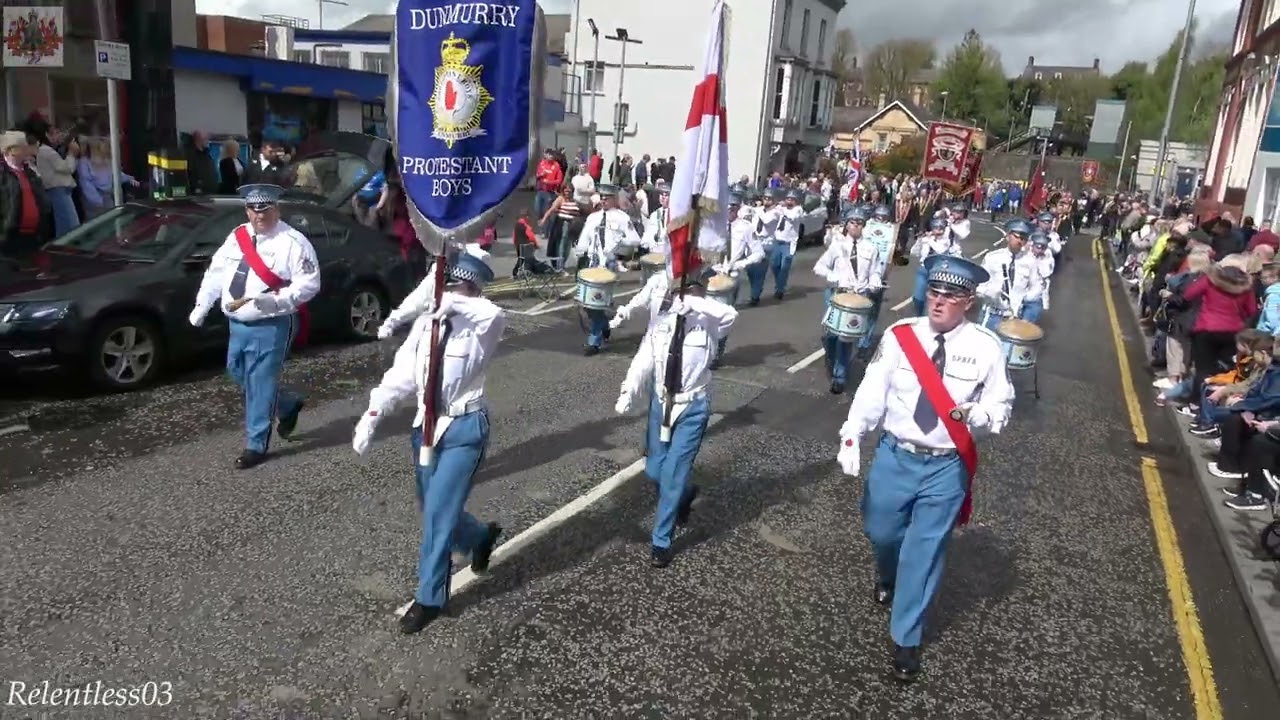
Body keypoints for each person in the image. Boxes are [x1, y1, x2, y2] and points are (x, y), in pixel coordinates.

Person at [837, 253, 1014, 682]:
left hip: (944, 466)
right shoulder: (901, 336)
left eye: (950, 296)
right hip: (896, 456)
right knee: (881, 531)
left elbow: (1002, 403)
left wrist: (983, 418)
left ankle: (907, 638)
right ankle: (887, 572)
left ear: (968, 301)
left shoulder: (986, 347)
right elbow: (871, 390)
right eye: (934, 292)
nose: (937, 302)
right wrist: (852, 433)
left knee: (925, 552)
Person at [352, 245, 506, 634]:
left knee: (437, 514)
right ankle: (479, 536)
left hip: (463, 430)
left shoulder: (482, 324)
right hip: (425, 429)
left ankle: (430, 598)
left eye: (460, 287)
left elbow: (493, 313)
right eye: (447, 284)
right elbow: (403, 374)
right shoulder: (426, 324)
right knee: (432, 506)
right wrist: (373, 413)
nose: (451, 292)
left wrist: (454, 305)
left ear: (475, 289)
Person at [188, 184, 320, 469]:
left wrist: (276, 302)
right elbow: (216, 273)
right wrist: (202, 305)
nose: (259, 215)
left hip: (270, 324)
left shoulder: (293, 242)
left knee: (259, 383)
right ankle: (286, 404)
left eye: (266, 209)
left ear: (277, 208)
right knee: (238, 374)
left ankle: (255, 444)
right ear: (247, 210)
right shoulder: (237, 236)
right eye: (253, 210)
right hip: (237, 323)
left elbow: (309, 284)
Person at [614, 263, 737, 567]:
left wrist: (693, 303)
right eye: (683, 291)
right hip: (661, 403)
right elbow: (644, 358)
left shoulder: (709, 321)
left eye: (695, 291)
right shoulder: (662, 322)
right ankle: (684, 496)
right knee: (654, 471)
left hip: (691, 407)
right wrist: (628, 390)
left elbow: (730, 315)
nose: (684, 296)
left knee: (671, 474)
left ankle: (661, 540)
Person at [815, 206, 881, 394]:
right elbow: (819, 267)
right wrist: (836, 278)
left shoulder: (871, 248)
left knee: (846, 337)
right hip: (836, 294)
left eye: (859, 223)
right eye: (852, 222)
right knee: (831, 336)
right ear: (846, 224)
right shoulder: (837, 246)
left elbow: (876, 271)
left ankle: (840, 376)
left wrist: (874, 282)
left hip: (857, 296)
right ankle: (831, 357)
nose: (856, 226)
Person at [576, 184, 639, 355]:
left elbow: (635, 240)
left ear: (614, 199)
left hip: (608, 265)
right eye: (601, 197)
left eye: (607, 198)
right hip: (593, 263)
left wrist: (618, 248)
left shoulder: (622, 218)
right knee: (588, 305)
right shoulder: (593, 218)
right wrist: (579, 251)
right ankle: (604, 325)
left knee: (596, 303)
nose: (603, 200)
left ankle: (593, 342)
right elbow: (584, 239)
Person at [710, 192, 765, 365]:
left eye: (732, 207)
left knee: (722, 318)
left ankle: (717, 353)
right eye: (726, 206)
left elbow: (759, 253)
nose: (729, 210)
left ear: (738, 208)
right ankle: (705, 349)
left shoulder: (746, 227)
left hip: (730, 278)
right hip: (711, 274)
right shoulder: (713, 225)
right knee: (704, 316)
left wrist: (739, 264)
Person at [0, 130, 50, 265]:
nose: (27, 150)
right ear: (11, 150)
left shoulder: (29, 171)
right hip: (10, 235)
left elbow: (40, 199)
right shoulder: (3, 174)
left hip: (33, 234)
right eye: (23, 147)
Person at [977, 219, 1032, 330]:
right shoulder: (992, 258)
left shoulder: (1030, 262)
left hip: (1015, 318)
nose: (1020, 241)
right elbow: (979, 288)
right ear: (1008, 236)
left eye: (1023, 238)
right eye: (1017, 236)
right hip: (992, 314)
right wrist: (989, 293)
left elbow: (1034, 292)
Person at [909, 216, 961, 316]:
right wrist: (919, 241)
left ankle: (929, 318)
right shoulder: (927, 239)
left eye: (940, 228)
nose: (937, 230)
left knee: (934, 298)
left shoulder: (946, 241)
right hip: (924, 269)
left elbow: (940, 250)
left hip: (938, 272)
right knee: (918, 298)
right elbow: (914, 252)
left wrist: (929, 240)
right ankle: (918, 316)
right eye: (935, 228)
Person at [745, 189, 782, 306]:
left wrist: (756, 210)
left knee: (759, 271)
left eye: (769, 199)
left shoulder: (776, 212)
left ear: (774, 201)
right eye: (765, 198)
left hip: (766, 244)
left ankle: (755, 296)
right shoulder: (759, 210)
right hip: (754, 242)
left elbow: (766, 220)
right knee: (750, 270)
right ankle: (755, 290)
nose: (766, 201)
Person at [1012, 233, 1055, 324]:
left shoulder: (1047, 259)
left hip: (1034, 299)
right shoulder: (1023, 256)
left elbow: (1046, 275)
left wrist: (1041, 261)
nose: (1040, 250)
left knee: (1026, 328)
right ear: (1033, 246)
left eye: (1043, 248)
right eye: (1038, 247)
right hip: (1019, 297)